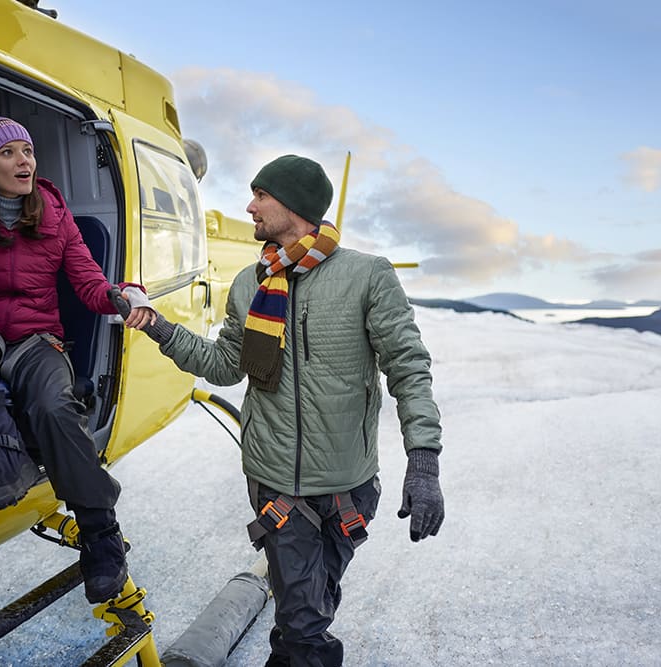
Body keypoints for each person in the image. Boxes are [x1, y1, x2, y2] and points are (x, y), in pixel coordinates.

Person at [132, 155, 445, 666]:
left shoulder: (367, 276)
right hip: (276, 484)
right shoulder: (248, 285)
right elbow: (227, 365)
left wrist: (424, 460)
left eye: (261, 195)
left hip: (348, 487)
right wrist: (160, 327)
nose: (249, 205)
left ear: (294, 205)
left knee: (310, 608)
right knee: (303, 623)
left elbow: (408, 367)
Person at [0, 116, 155, 604]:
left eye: (27, 150)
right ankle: (1, 456)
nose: (24, 160)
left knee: (53, 407)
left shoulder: (53, 214)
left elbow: (90, 282)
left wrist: (123, 295)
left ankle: (101, 535)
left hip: (35, 342)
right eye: (8, 153)